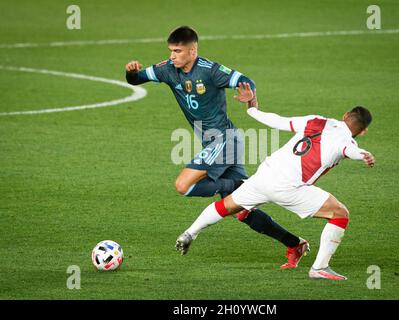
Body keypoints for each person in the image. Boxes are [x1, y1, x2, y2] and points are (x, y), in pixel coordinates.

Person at [125, 26, 307, 268]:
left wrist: (249, 96)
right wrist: (131, 72)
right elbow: (137, 79)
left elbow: (244, 80)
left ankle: (235, 185)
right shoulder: (168, 70)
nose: (172, 56)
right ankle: (295, 244)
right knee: (242, 210)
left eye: (178, 51)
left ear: (193, 50)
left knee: (183, 185)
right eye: (170, 51)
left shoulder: (210, 71)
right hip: (217, 142)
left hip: (224, 140)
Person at [175, 83, 375, 280]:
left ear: (345, 115)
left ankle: (189, 233)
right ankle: (320, 268)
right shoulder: (346, 142)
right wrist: (363, 154)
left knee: (226, 206)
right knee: (340, 213)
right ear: (363, 131)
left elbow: (278, 121)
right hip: (289, 188)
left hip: (264, 175)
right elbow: (350, 150)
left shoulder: (317, 121)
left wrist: (252, 109)